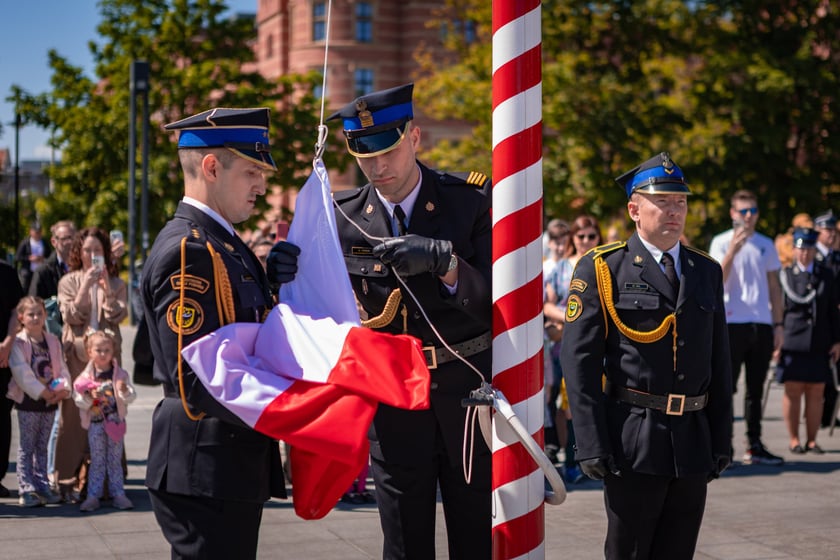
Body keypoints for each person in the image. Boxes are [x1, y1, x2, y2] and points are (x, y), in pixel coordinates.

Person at [329, 83, 492, 559]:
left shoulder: (469, 200)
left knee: (475, 538)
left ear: (415, 138)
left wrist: (449, 266)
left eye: (388, 151)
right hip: (394, 401)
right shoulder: (343, 217)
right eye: (365, 156)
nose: (378, 167)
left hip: (465, 393)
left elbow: (499, 303)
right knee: (403, 543)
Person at [560, 152, 733, 559]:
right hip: (633, 439)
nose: (674, 211)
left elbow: (719, 360)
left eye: (681, 202)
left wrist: (721, 437)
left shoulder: (705, 270)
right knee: (630, 552)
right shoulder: (604, 268)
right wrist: (590, 442)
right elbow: (580, 362)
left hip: (692, 438)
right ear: (634, 210)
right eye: (663, 202)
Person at [142, 107, 298, 559]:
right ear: (211, 167)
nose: (262, 186)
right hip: (205, 462)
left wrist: (275, 286)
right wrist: (293, 408)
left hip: (223, 461)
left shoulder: (223, 244)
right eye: (252, 172)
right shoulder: (190, 250)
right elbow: (194, 379)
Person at [709, 190, 785, 466]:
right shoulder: (721, 242)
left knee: (756, 389)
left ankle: (754, 444)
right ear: (733, 214)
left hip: (761, 323)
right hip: (731, 323)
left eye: (753, 211)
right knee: (725, 387)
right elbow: (716, 280)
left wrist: (778, 324)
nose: (749, 216)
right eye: (743, 211)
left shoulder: (766, 244)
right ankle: (723, 446)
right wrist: (733, 250)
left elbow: (774, 287)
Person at [56, 227, 128, 502]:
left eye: (97, 250)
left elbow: (118, 314)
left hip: (108, 358)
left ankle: (109, 480)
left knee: (110, 412)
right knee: (74, 417)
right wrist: (86, 285)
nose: (92, 255)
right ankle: (67, 478)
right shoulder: (69, 281)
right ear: (79, 252)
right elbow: (71, 316)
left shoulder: (117, 283)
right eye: (87, 250)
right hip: (77, 357)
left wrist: (107, 289)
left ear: (106, 253)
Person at [775, 227, 840, 455]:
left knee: (816, 392)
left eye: (809, 249)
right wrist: (776, 340)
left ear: (814, 250)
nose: (805, 254)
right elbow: (779, 310)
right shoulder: (785, 274)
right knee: (793, 391)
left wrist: (837, 340)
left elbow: (833, 310)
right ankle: (794, 439)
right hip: (792, 342)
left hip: (819, 342)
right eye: (801, 249)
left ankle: (812, 440)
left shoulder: (826, 275)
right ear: (794, 250)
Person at [7, 296, 72, 507]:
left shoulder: (52, 340)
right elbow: (22, 373)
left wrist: (63, 389)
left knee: (42, 447)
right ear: (21, 317)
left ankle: (42, 484)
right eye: (30, 314)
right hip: (29, 402)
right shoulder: (19, 343)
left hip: (50, 401)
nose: (35, 318)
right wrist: (43, 392)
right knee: (27, 446)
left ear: (45, 315)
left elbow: (61, 368)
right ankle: (26, 489)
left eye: (39, 313)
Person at [73, 330, 136, 512]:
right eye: (98, 350)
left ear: (113, 351)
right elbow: (78, 399)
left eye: (107, 350)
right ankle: (93, 495)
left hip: (115, 422)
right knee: (97, 460)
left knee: (115, 460)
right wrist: (88, 397)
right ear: (89, 352)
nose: (103, 354)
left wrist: (125, 391)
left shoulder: (120, 374)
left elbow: (131, 396)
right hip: (96, 423)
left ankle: (118, 494)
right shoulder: (86, 377)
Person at [813, 210, 840, 430]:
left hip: (835, 321)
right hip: (819, 322)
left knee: (835, 371)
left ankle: (829, 414)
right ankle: (819, 415)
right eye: (827, 230)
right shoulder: (812, 257)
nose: (831, 234)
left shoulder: (837, 257)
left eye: (834, 230)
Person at [0, 259, 25, 498]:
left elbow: (17, 310)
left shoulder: (6, 272)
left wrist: (8, 341)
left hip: (2, 356)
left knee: (1, 415)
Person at [28, 220, 76, 301]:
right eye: (64, 239)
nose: (69, 242)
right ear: (54, 242)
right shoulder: (43, 271)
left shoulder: (83, 266)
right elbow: (33, 302)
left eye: (71, 238)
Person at [15, 222, 51, 294]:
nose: (38, 234)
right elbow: (17, 257)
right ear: (31, 231)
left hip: (40, 272)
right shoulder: (25, 242)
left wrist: (42, 259)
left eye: (39, 232)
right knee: (24, 290)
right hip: (27, 273)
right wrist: (29, 258)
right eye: (36, 232)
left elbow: (49, 256)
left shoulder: (44, 243)